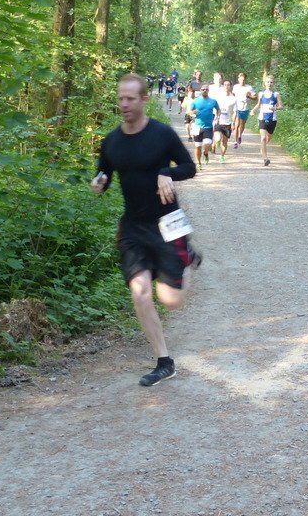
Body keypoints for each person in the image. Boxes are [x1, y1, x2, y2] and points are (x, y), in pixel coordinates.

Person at [91, 73, 199, 387]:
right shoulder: (111, 141)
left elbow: (189, 167)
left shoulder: (162, 134)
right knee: (140, 293)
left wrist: (167, 173)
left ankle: (186, 255)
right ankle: (164, 361)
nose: (124, 104)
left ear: (143, 99)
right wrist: (99, 182)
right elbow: (104, 173)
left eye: (130, 98)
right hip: (133, 228)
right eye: (120, 98)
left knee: (171, 301)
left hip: (168, 224)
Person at [189, 84, 219, 169]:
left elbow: (218, 109)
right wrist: (193, 112)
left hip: (208, 126)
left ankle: (205, 153)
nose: (204, 90)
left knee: (207, 143)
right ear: (200, 90)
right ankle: (198, 163)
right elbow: (189, 112)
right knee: (197, 146)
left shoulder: (213, 101)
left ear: (208, 91)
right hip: (197, 127)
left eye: (206, 89)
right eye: (203, 89)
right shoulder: (195, 101)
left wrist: (217, 117)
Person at [255, 75, 283, 167]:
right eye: (268, 82)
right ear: (265, 83)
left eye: (271, 82)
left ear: (273, 83)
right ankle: (265, 158)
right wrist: (253, 111)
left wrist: (275, 108)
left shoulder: (276, 94)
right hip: (262, 118)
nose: (269, 84)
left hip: (272, 119)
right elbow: (258, 104)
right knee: (263, 138)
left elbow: (281, 106)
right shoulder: (261, 94)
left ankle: (262, 147)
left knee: (267, 138)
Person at [231, 72, 256, 149]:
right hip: (237, 107)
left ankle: (239, 135)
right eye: (241, 80)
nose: (242, 81)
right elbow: (232, 95)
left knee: (242, 124)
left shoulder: (249, 87)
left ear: (245, 80)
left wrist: (249, 96)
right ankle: (235, 141)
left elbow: (255, 97)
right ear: (238, 79)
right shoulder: (235, 87)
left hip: (245, 108)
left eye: (244, 80)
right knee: (237, 124)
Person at [213, 79, 236, 163]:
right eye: (225, 85)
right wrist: (215, 117)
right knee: (218, 138)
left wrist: (233, 123)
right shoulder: (218, 96)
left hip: (228, 122)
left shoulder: (233, 99)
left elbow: (235, 112)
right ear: (223, 86)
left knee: (225, 142)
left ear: (231, 86)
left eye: (228, 85)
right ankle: (215, 142)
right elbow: (214, 107)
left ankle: (222, 157)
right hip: (219, 121)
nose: (226, 86)